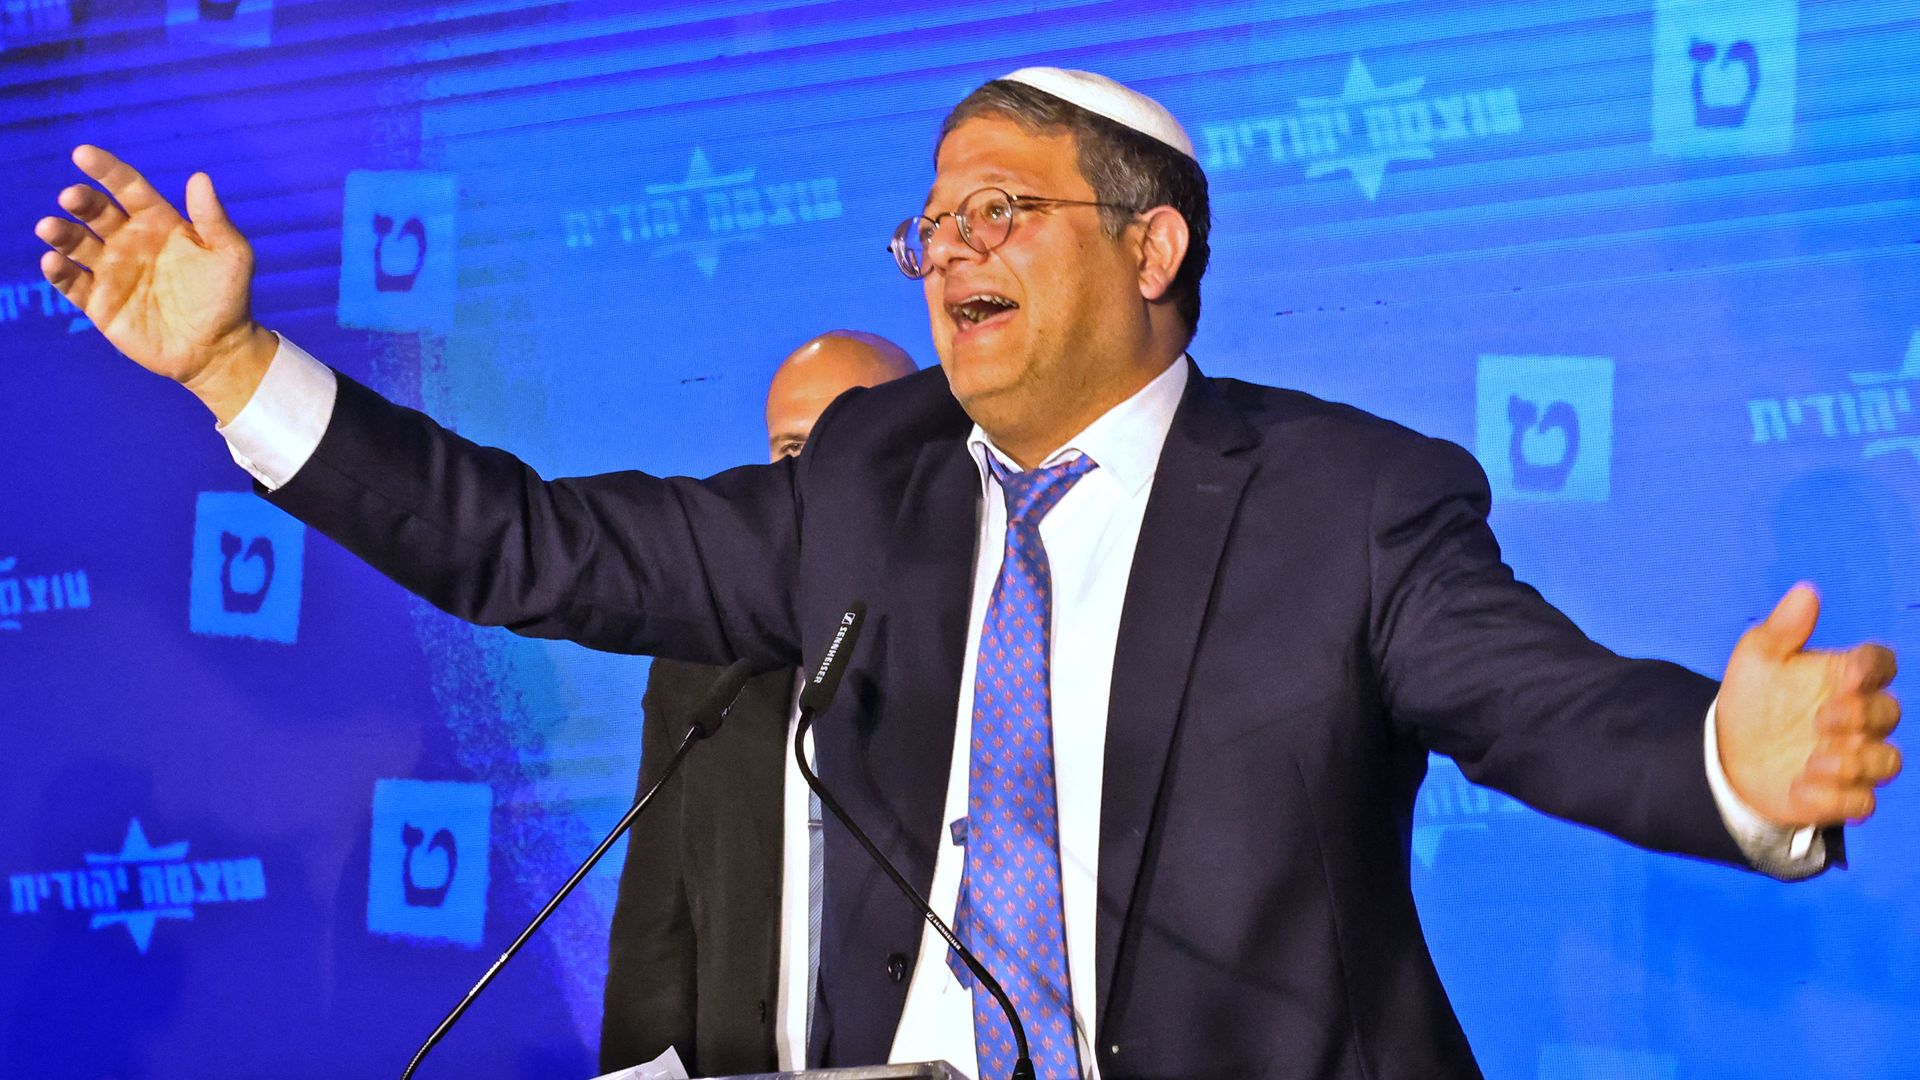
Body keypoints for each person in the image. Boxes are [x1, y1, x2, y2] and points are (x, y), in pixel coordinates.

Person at [35, 68, 1901, 1080]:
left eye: (1003, 210)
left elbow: (1537, 706)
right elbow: (534, 542)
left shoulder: (1345, 497)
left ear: (1154, 250)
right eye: (932, 223)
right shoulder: (871, 480)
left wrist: (1725, 764)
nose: (950, 252)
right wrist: (236, 369)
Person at [601, 332, 915, 1077]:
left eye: (840, 440)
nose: (807, 478)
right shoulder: (703, 667)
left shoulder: (982, 640)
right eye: (790, 450)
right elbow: (657, 932)